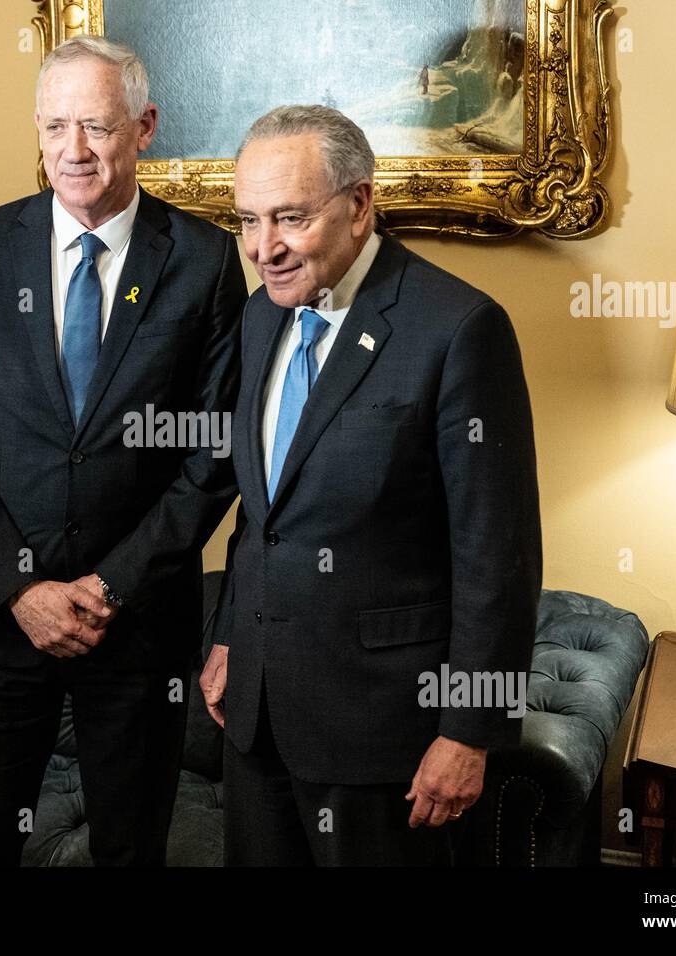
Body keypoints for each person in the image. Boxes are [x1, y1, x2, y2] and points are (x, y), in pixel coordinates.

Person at [0, 35, 247, 866]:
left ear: (144, 127)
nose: (74, 150)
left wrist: (108, 587)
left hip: (134, 632)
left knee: (131, 848)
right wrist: (23, 590)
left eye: (97, 127)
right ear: (36, 127)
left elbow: (212, 455)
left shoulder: (204, 262)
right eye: (57, 125)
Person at [199, 105, 542, 866]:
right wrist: (229, 632)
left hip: (386, 731)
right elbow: (265, 514)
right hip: (257, 717)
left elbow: (499, 555)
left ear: (359, 203)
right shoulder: (262, 316)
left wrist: (469, 731)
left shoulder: (459, 329)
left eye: (289, 218)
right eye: (248, 221)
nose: (264, 248)